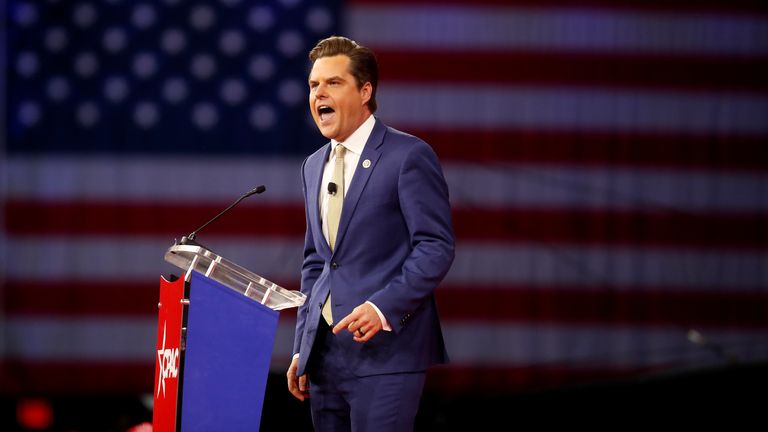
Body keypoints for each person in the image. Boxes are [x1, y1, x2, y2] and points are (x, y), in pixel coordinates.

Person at [286, 35, 455, 432]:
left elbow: (435, 246)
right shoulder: (313, 165)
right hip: (326, 357)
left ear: (365, 91)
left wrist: (382, 308)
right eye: (314, 85)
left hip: (386, 354)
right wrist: (303, 347)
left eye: (333, 83)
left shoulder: (407, 156)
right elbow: (316, 262)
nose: (319, 94)